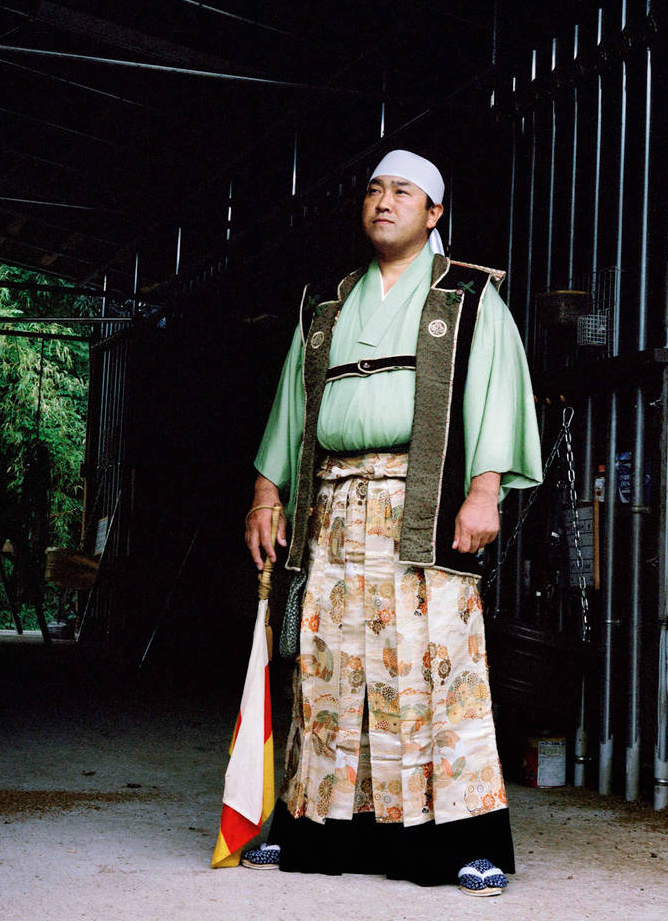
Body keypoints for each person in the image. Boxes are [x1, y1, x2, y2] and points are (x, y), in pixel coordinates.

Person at [242, 149, 541, 895]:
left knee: (433, 665)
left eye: (403, 192)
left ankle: (462, 843)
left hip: (424, 504)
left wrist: (484, 492)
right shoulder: (326, 304)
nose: (383, 201)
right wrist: (265, 493)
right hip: (335, 510)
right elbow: (291, 407)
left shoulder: (469, 298)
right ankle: (314, 833)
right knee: (329, 665)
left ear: (434, 214)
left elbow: (496, 392)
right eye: (374, 189)